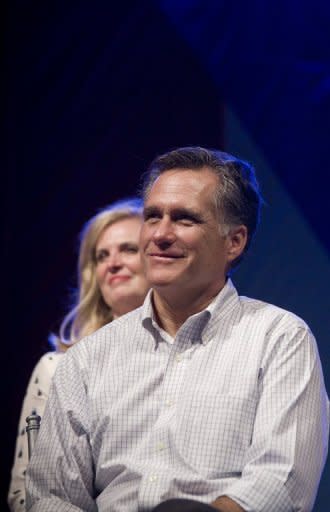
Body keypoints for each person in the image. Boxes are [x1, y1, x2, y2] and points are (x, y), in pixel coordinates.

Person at [25, 147, 329, 512]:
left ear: (234, 241)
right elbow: (50, 497)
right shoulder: (88, 358)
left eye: (184, 219)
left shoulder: (279, 339)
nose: (161, 235)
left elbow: (281, 483)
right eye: (153, 217)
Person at [8, 197, 150, 512]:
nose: (113, 263)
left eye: (128, 249)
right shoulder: (58, 368)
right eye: (101, 256)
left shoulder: (195, 357)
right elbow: (24, 492)